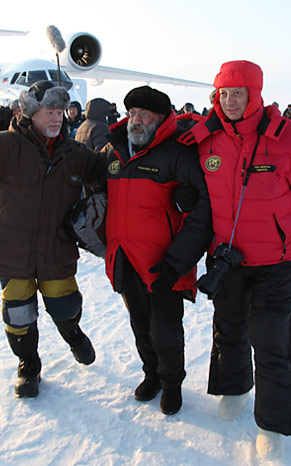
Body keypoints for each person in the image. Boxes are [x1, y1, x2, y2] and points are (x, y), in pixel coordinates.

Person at [178, 60, 291, 461]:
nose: (230, 102)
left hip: (277, 261)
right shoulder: (205, 139)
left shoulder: (289, 139)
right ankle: (233, 388)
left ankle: (273, 424)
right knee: (229, 328)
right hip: (228, 260)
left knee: (271, 339)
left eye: (238, 94)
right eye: (223, 94)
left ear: (255, 95)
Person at [0, 81, 105, 399]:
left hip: (55, 246)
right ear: (32, 113)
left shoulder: (74, 153)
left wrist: (119, 150)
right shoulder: (6, 145)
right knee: (18, 313)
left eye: (60, 112)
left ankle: (72, 334)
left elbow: (100, 170)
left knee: (65, 304)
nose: (57, 119)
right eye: (49, 112)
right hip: (12, 248)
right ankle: (28, 365)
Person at [103, 86, 212, 415]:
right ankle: (151, 374)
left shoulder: (177, 153)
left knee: (164, 329)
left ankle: (172, 382)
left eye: (144, 114)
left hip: (162, 261)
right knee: (140, 323)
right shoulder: (115, 151)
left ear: (162, 119)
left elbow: (203, 210)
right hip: (125, 256)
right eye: (132, 113)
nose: (136, 120)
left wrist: (177, 263)